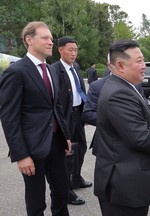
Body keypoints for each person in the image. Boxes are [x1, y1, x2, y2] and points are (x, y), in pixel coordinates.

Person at [93, 39, 150, 216]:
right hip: (122, 187)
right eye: (139, 61)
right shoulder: (118, 93)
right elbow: (139, 136)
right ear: (120, 65)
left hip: (129, 183)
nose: (144, 66)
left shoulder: (125, 86)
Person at [0, 21, 72, 216]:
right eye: (45, 38)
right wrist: (21, 155)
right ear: (29, 40)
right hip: (32, 148)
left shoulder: (51, 70)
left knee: (61, 192)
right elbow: (9, 117)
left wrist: (65, 135)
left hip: (56, 143)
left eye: (51, 38)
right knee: (36, 200)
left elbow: (55, 106)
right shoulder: (16, 72)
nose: (50, 42)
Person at [52, 37, 92, 205]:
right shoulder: (54, 69)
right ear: (60, 50)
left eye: (75, 50)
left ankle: (76, 178)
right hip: (65, 116)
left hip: (78, 114)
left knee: (81, 147)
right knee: (66, 153)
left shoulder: (75, 67)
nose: (74, 53)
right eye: (70, 50)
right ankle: (66, 189)